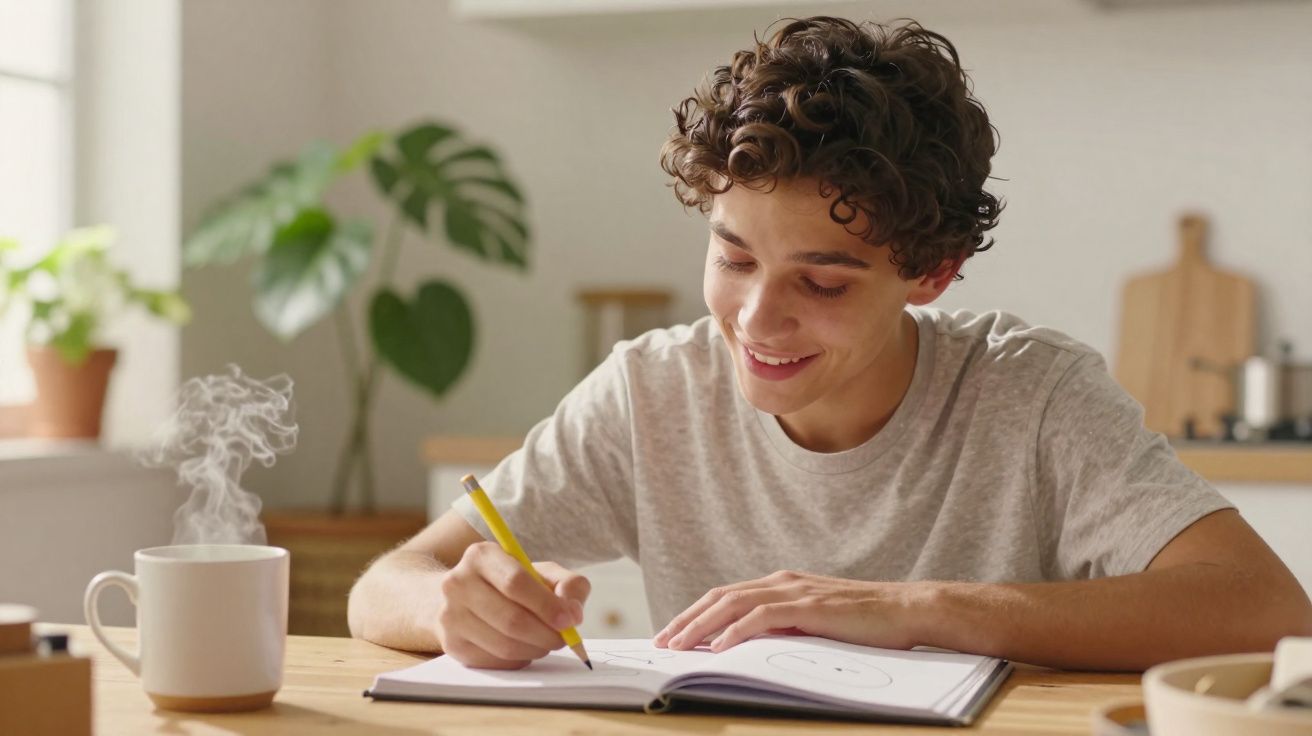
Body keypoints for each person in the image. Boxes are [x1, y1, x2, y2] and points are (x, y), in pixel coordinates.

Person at [348, 16, 1312, 671]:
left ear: (931, 273)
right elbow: (385, 586)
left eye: (823, 282)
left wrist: (918, 608)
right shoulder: (651, 392)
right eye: (734, 258)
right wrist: (453, 608)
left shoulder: (1032, 395)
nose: (756, 319)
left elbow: (1269, 613)